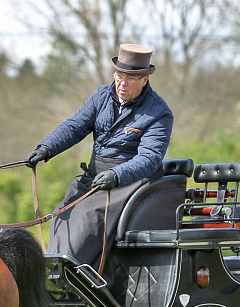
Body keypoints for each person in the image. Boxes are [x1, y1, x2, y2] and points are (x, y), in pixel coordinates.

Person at [25, 43, 174, 273]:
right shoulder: (101, 96)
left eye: (130, 79)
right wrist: (47, 147)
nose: (122, 84)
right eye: (119, 76)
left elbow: (149, 158)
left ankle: (78, 276)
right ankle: (56, 271)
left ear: (145, 80)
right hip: (96, 178)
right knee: (62, 212)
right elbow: (75, 126)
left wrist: (117, 175)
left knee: (87, 216)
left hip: (130, 183)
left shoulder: (159, 113)